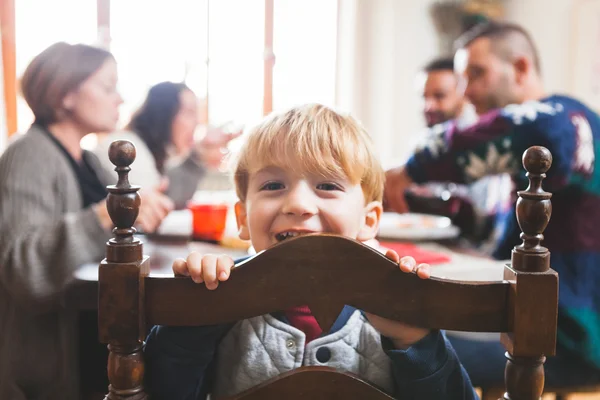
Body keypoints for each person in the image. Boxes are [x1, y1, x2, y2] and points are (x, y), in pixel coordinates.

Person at [143, 104, 478, 399]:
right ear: (243, 218)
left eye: (327, 186)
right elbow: (163, 391)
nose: (299, 204)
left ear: (368, 220)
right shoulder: (221, 293)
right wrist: (195, 314)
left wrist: (415, 340)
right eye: (273, 186)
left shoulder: (395, 304)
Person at [384, 21, 600, 388]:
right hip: (531, 319)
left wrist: (410, 171)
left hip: (569, 338)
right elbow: (486, 230)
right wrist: (419, 202)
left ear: (520, 68)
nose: (465, 93)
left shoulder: (571, 122)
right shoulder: (519, 159)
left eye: (476, 74)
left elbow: (541, 132)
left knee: (396, 346)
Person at [0, 42, 173, 399]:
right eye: (108, 87)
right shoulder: (29, 153)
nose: (120, 99)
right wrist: (102, 217)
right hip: (48, 369)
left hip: (95, 345)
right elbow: (23, 269)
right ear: (64, 93)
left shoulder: (90, 161)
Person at [411, 57, 511, 246]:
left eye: (439, 96)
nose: (428, 106)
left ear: (463, 94)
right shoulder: (421, 142)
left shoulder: (485, 144)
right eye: (424, 97)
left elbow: (483, 216)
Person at [95, 81, 241, 209]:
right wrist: (198, 155)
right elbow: (159, 207)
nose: (197, 122)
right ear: (164, 114)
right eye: (189, 112)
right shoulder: (128, 148)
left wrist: (200, 154)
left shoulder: (156, 153)